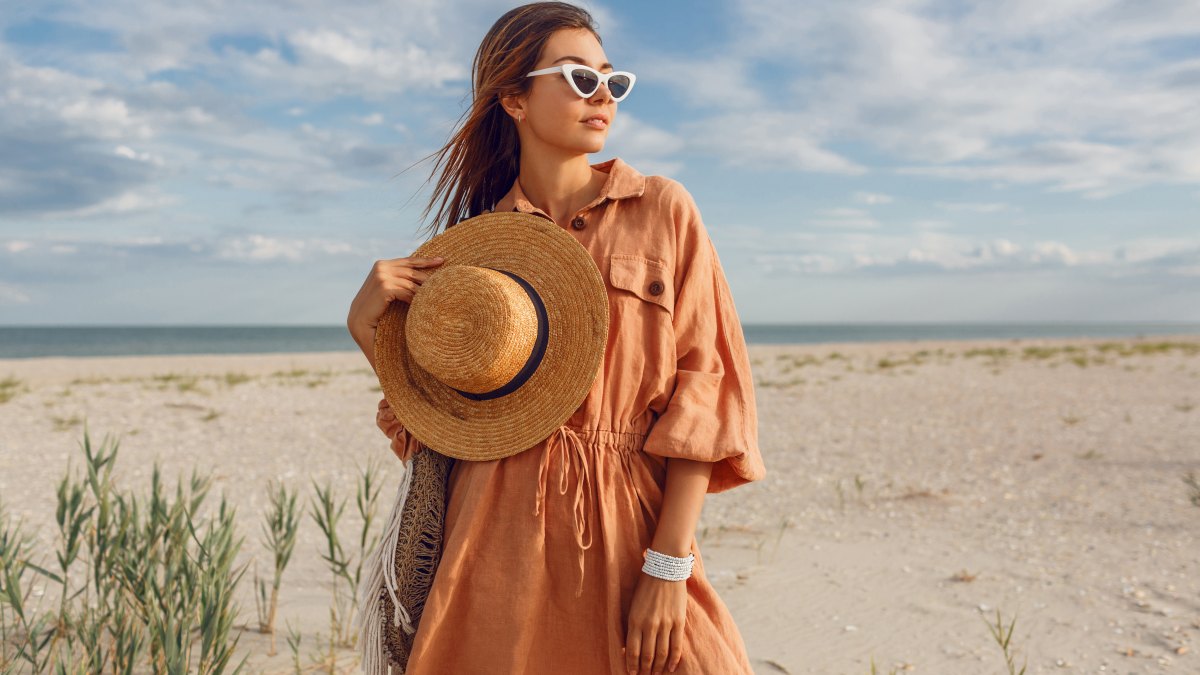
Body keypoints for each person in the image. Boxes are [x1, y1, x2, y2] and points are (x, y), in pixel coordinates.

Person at [345, 3, 766, 674]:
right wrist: (369, 332)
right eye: (578, 78)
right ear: (513, 98)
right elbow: (437, 423)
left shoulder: (662, 209)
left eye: (612, 80)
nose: (603, 95)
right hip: (488, 540)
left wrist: (668, 565)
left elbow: (704, 392)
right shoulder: (476, 251)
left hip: (628, 525)